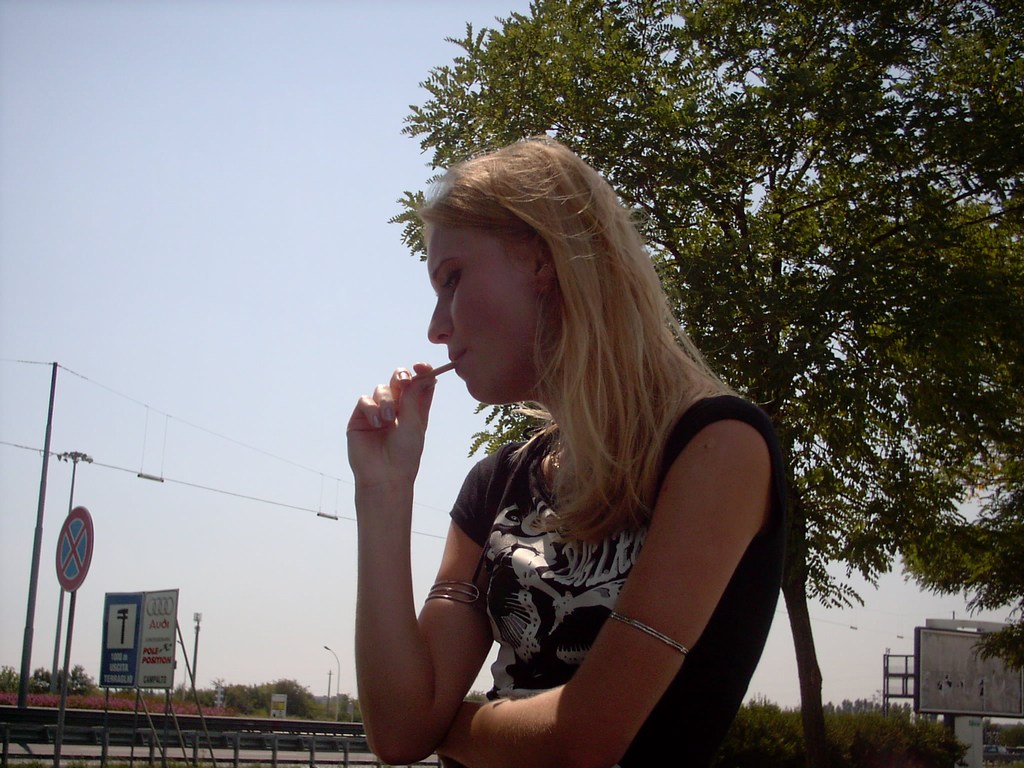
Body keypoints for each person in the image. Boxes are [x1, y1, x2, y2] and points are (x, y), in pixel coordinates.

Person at [346, 136, 786, 768]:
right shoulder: (495, 483)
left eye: (453, 279)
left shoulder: (717, 445)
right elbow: (396, 733)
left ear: (543, 260)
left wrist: (445, 726)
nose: (436, 328)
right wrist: (383, 491)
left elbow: (583, 740)